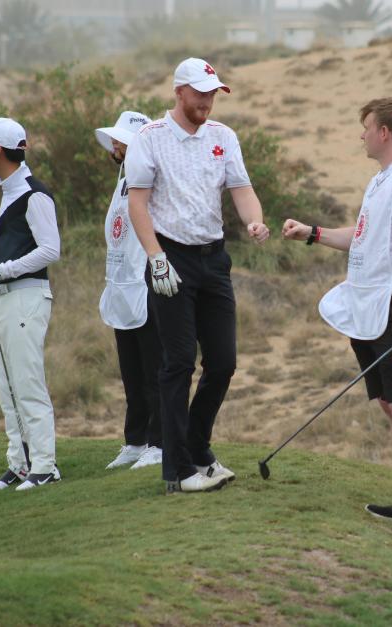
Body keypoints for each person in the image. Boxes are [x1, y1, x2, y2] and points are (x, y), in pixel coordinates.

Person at [282, 97, 392, 538]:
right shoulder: (382, 180)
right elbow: (363, 237)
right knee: (390, 405)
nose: (362, 135)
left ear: (384, 132)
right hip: (367, 305)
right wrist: (311, 233)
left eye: (366, 127)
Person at [125, 58, 270, 494]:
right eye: (201, 92)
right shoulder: (149, 139)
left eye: (213, 93)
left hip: (213, 260)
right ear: (180, 92)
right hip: (171, 258)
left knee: (223, 362)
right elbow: (138, 203)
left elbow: (241, 189)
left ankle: (196, 445)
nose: (208, 100)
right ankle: (179, 469)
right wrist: (155, 257)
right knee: (178, 364)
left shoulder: (223, 137)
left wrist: (254, 221)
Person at [0, 117, 61, 491]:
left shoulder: (34, 194)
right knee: (8, 388)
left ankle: (45, 466)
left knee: (27, 383)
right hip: (6, 300)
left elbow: (50, 249)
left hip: (27, 297)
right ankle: (20, 464)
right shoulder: (9, 191)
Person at [95, 111, 165, 471]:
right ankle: (135, 440)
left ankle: (160, 442)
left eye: (122, 140)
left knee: (155, 369)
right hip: (121, 285)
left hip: (146, 283)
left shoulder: (152, 176)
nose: (115, 145)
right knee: (131, 372)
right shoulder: (123, 178)